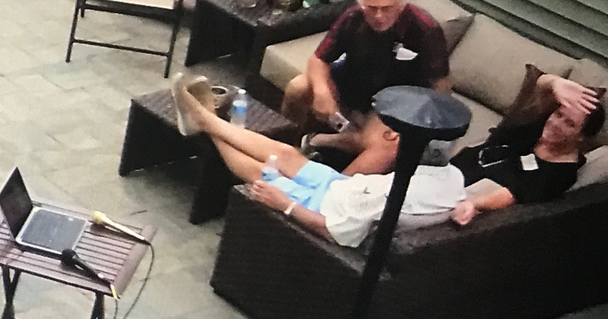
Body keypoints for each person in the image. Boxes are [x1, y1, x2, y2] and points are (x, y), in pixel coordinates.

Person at [170, 80, 466, 246]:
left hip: (322, 207)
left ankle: (204, 120)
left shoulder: (392, 198)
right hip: (342, 187)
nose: (391, 136)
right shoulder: (452, 177)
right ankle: (205, 120)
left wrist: (285, 204)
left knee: (263, 171)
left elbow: (334, 231)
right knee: (286, 153)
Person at [285, 0, 453, 155]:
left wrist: (423, 124)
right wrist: (322, 92)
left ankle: (315, 141)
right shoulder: (353, 17)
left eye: (386, 9)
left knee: (372, 141)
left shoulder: (425, 28)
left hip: (395, 98)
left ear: (401, 6)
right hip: (353, 78)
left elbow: (440, 82)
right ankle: (286, 143)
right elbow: (319, 58)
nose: (379, 16)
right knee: (297, 87)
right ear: (362, 5)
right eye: (372, 8)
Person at [452, 71, 603, 216]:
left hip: (460, 195)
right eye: (558, 114)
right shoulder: (536, 128)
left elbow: (511, 195)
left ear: (582, 137)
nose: (556, 124)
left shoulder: (560, 173)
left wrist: (473, 204)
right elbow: (540, 86)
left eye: (569, 124)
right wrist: (556, 83)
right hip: (449, 168)